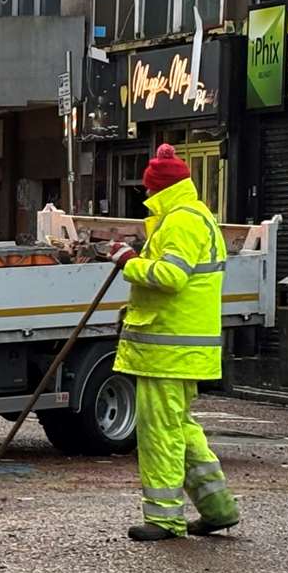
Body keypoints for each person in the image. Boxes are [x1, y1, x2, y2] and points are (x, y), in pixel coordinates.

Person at [108, 143, 239, 542]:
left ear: (159, 189)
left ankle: (165, 519)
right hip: (180, 347)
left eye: (148, 191)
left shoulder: (180, 222)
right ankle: (218, 509)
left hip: (168, 349)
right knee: (179, 427)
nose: (145, 197)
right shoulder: (195, 216)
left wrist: (128, 261)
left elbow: (170, 277)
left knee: (160, 433)